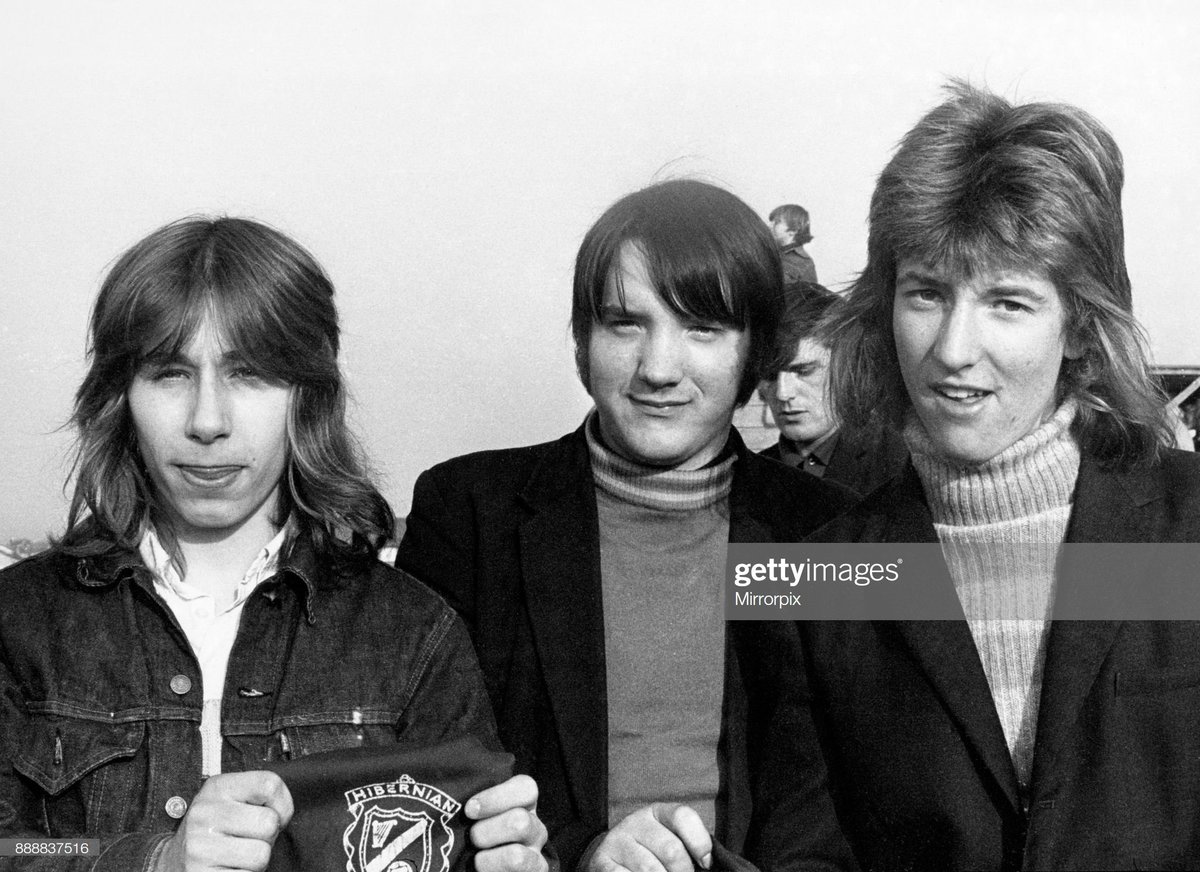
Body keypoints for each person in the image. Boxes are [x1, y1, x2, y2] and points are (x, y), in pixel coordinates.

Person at [0, 218, 547, 872]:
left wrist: (508, 861)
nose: (208, 421)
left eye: (250, 375)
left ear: (307, 396)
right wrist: (153, 862)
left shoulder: (414, 635)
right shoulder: (18, 619)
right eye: (171, 374)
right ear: (121, 395)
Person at [787, 82, 1200, 869]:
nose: (952, 348)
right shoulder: (822, 573)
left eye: (1007, 302)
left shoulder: (1191, 527)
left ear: (1080, 326)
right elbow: (803, 845)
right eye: (927, 293)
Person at [396, 180, 852, 872]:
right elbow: (424, 779)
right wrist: (579, 853)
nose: (658, 369)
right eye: (625, 323)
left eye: (703, 328)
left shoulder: (826, 532)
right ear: (582, 341)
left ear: (756, 353)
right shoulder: (469, 512)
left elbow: (848, 786)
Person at [757, 282, 907, 496]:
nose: (783, 393)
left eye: (803, 371)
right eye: (770, 375)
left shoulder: (898, 466)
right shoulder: (747, 478)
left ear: (845, 367)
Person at [767, 204, 818, 286]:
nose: (769, 226)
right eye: (771, 221)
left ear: (793, 230)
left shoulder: (805, 264)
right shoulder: (765, 251)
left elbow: (809, 297)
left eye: (777, 222)